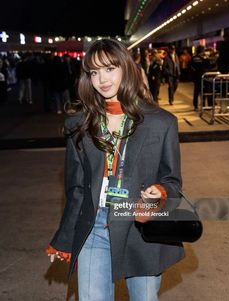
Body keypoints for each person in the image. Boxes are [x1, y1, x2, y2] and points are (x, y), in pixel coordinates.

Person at [46, 38, 184, 301]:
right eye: (94, 72)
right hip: (94, 227)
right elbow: (76, 190)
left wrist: (161, 191)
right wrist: (64, 238)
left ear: (126, 68)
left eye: (110, 68)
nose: (102, 79)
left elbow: (173, 180)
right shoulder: (79, 125)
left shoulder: (161, 123)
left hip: (140, 227)